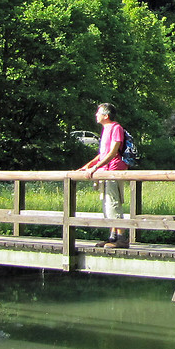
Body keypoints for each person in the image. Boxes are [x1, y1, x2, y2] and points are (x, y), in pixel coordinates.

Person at [79, 103, 129, 247]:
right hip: (104, 171)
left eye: (98, 112)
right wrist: (86, 167)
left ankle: (121, 239)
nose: (96, 115)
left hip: (113, 170)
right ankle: (112, 237)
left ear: (106, 116)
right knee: (107, 204)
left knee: (114, 203)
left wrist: (94, 168)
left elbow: (113, 153)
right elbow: (102, 154)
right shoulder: (105, 129)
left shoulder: (116, 128)